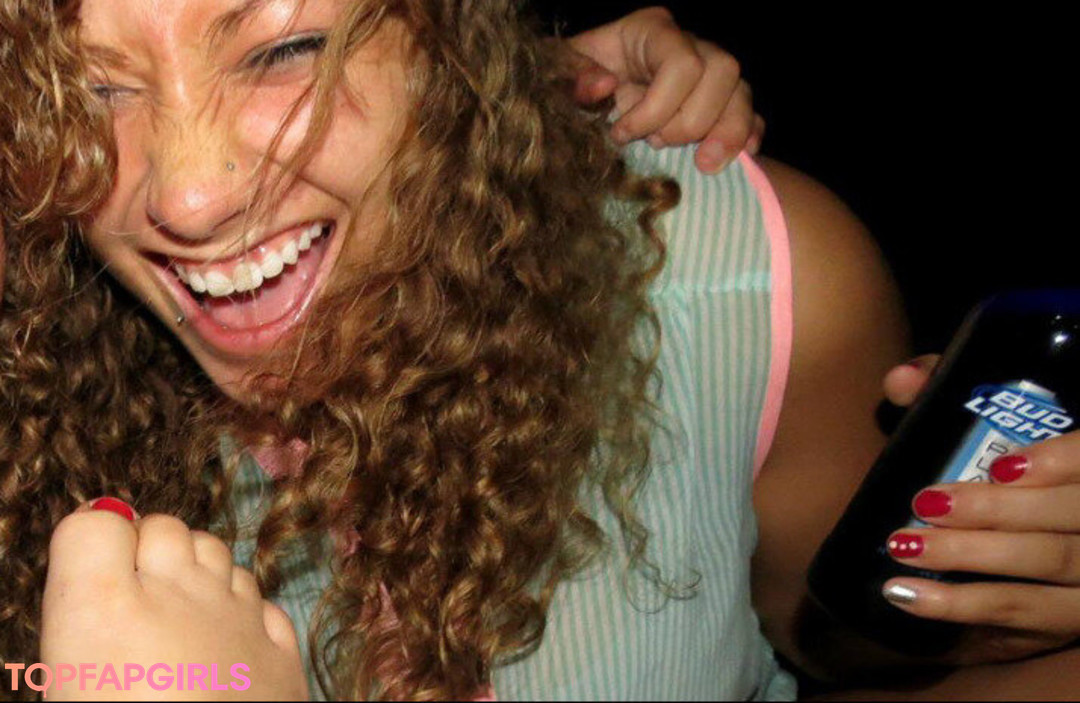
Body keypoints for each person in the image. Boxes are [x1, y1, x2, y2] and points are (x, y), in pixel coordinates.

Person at [6, 1, 1080, 700]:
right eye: (88, 89)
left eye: (287, 51)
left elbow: (843, 647)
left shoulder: (732, 277)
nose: (191, 195)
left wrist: (1009, 630)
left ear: (449, 35)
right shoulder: (28, 368)